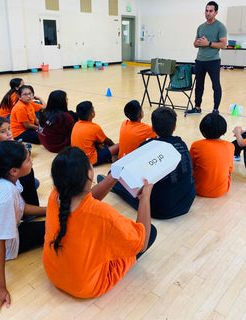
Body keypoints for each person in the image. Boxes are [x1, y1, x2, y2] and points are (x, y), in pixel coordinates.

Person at [43, 146, 156, 298]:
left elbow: (86, 200)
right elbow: (141, 245)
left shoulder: (55, 196)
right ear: (89, 174)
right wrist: (145, 198)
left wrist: (113, 176)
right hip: (85, 286)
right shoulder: (102, 215)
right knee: (150, 232)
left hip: (53, 272)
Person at [0, 140, 46, 319]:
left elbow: (22, 207)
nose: (31, 160)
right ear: (13, 171)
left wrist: (49, 210)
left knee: (34, 187)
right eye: (28, 159)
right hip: (2, 246)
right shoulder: (4, 195)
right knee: (60, 226)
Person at [111, 107, 196, 219]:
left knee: (120, 181)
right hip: (187, 201)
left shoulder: (147, 147)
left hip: (160, 209)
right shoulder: (181, 144)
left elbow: (135, 176)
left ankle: (110, 185)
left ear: (152, 128)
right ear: (175, 127)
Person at [187, 1, 227, 115]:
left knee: (216, 86)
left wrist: (208, 43)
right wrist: (197, 42)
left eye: (210, 11)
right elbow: (195, 44)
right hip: (200, 60)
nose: (207, 13)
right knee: (199, 85)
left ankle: (215, 110)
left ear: (216, 12)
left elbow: (223, 45)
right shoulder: (201, 27)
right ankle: (197, 107)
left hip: (213, 61)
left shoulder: (220, 27)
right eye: (206, 10)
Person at [190, 113, 234, 197]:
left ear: (202, 130)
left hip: (198, 189)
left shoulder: (196, 145)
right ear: (223, 130)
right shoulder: (230, 146)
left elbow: (190, 165)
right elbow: (230, 170)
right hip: (223, 190)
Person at [71, 101, 119, 166]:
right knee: (118, 145)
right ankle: (112, 157)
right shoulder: (95, 127)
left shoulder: (76, 124)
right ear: (92, 114)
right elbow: (108, 141)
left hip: (77, 158)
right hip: (90, 160)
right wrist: (114, 147)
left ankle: (108, 156)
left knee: (98, 142)